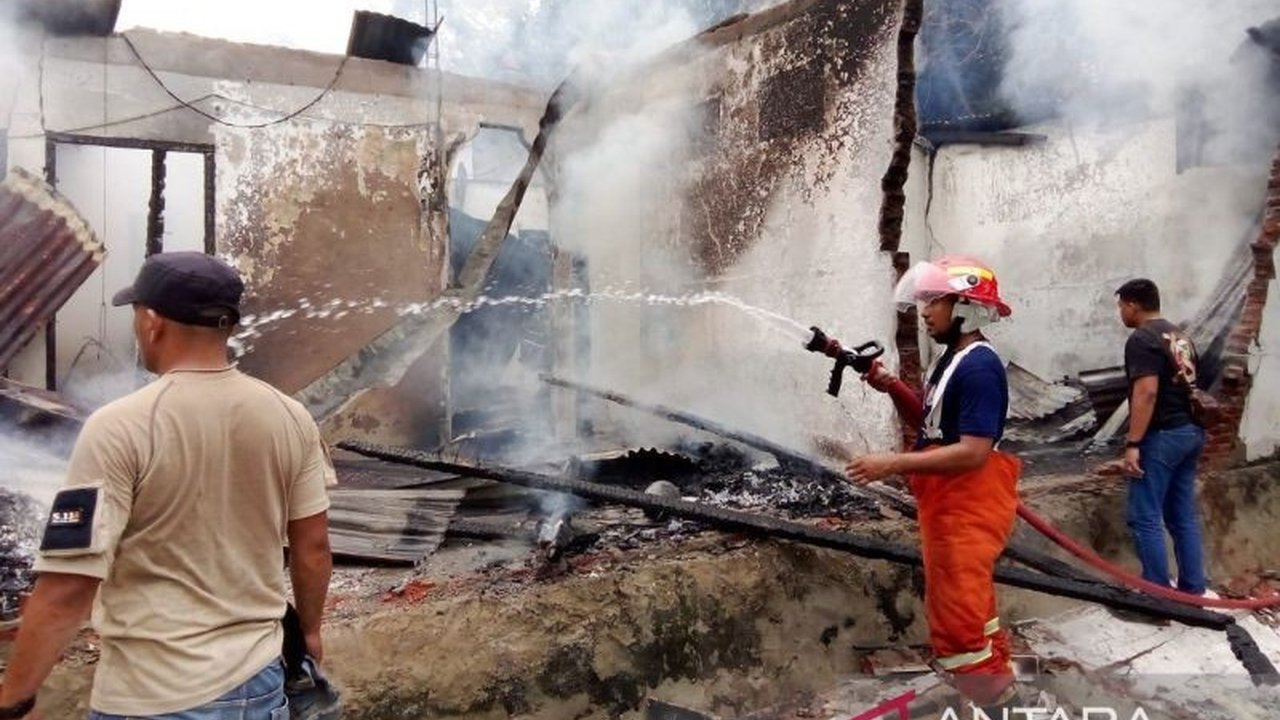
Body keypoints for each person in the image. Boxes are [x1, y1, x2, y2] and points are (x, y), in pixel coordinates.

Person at [0, 252, 335, 719]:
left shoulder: (119, 426)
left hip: (154, 695)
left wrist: (15, 697)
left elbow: (67, 587)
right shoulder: (289, 415)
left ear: (153, 323)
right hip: (258, 685)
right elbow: (313, 546)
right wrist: (312, 633)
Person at [845, 255, 1021, 714]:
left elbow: (973, 451)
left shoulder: (980, 368)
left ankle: (989, 703)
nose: (925, 312)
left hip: (966, 506)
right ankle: (1002, 690)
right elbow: (932, 423)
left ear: (966, 306)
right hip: (947, 505)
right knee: (975, 612)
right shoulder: (953, 360)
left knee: (959, 623)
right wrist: (889, 385)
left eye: (935, 302)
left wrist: (892, 463)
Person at [1114, 278, 1209, 596]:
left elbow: (1147, 392)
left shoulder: (1142, 339)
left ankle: (1157, 598)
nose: (1120, 313)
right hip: (1191, 431)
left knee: (1145, 517)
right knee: (1182, 517)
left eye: (1120, 306)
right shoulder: (1178, 335)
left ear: (1132, 305)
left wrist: (1133, 444)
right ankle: (1192, 591)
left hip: (1163, 436)